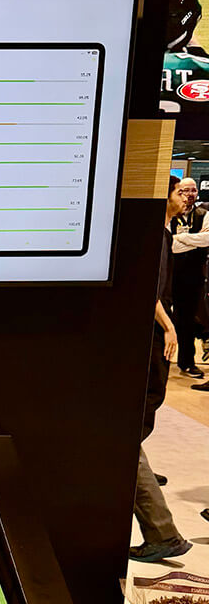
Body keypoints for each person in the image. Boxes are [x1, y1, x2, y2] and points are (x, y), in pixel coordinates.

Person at [130, 177, 194, 562]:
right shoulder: (158, 235)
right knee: (130, 436)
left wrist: (169, 327)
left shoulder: (162, 235)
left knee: (130, 436)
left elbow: (151, 292)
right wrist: (169, 326)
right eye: (180, 192)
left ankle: (162, 531)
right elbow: (149, 290)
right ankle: (161, 530)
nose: (187, 198)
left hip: (155, 340)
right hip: (152, 339)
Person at [171, 178, 209, 378]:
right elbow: (169, 245)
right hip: (170, 273)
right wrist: (194, 240)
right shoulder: (171, 213)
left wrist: (181, 239)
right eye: (186, 190)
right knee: (164, 318)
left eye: (194, 190)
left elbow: (207, 239)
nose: (190, 194)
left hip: (194, 275)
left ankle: (187, 362)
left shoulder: (204, 214)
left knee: (188, 320)